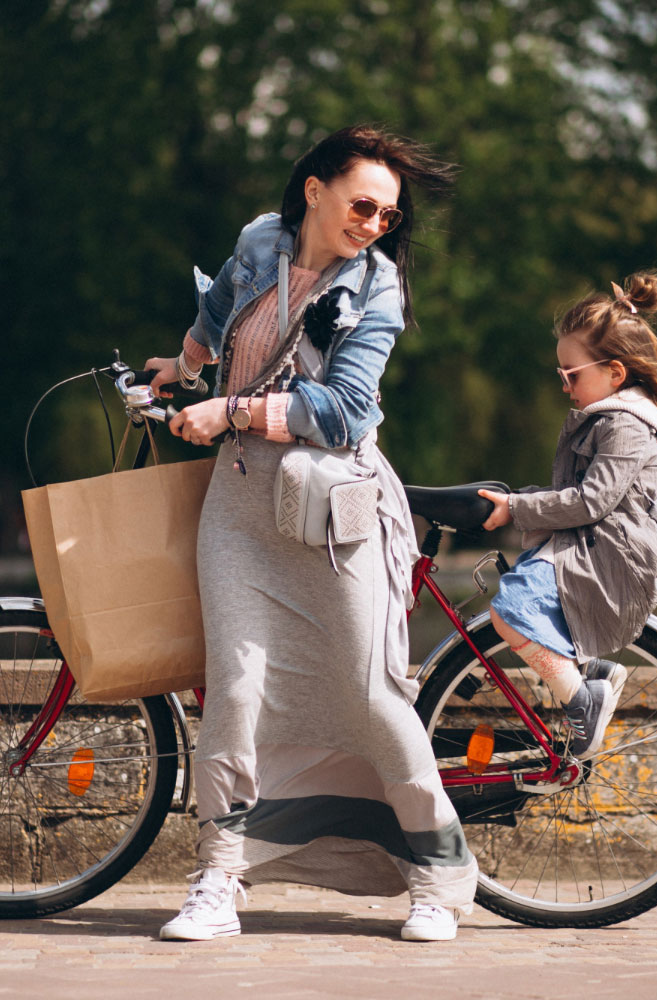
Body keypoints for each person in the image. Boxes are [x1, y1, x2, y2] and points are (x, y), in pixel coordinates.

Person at [143, 125, 476, 943]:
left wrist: (232, 410)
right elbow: (217, 312)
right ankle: (219, 880)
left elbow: (345, 411)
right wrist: (180, 370)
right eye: (364, 204)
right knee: (236, 693)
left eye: (388, 216)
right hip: (241, 505)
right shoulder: (262, 239)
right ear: (315, 190)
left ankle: (436, 878)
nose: (374, 223)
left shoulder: (379, 291)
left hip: (334, 514)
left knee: (370, 694)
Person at [477, 273, 657, 756]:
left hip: (615, 560)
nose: (564, 386)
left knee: (512, 614)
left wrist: (519, 509)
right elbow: (579, 496)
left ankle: (583, 699)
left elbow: (591, 501)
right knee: (516, 608)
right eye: (560, 374)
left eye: (572, 374)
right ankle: (593, 676)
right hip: (595, 548)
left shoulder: (627, 426)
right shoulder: (607, 418)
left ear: (614, 373)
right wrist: (516, 501)